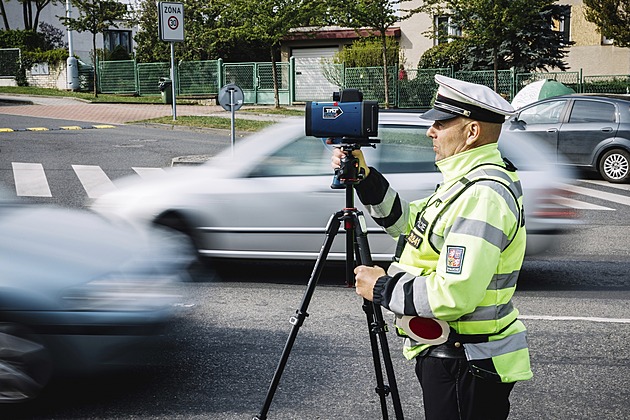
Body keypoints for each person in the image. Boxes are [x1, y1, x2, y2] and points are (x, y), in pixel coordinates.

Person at [331, 75, 533, 420]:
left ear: (471, 132)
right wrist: (365, 178)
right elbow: (410, 224)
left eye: (441, 123)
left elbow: (454, 294)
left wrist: (382, 288)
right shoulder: (465, 182)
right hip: (457, 355)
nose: (431, 131)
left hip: (466, 359)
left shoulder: (481, 195)